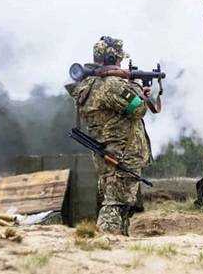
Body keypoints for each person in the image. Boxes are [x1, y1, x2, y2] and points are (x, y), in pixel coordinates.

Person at [68, 36, 161, 235]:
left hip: (106, 153)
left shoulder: (87, 85)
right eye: (118, 60)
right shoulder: (111, 85)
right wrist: (137, 89)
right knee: (116, 204)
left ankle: (119, 243)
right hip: (122, 154)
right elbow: (138, 109)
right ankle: (105, 242)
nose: (120, 63)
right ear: (111, 58)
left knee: (119, 203)